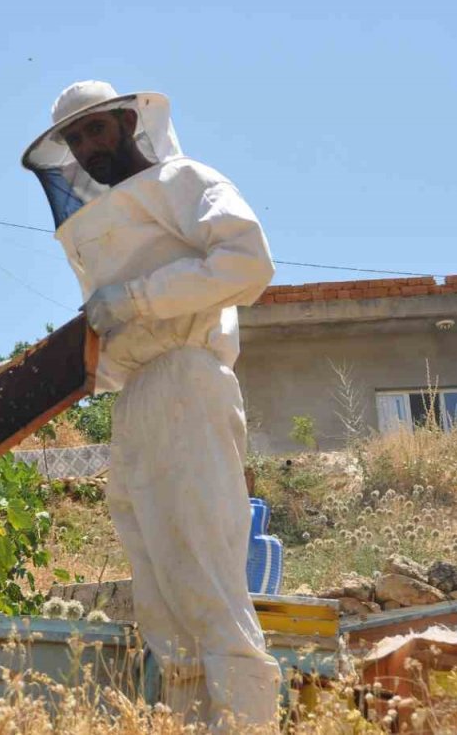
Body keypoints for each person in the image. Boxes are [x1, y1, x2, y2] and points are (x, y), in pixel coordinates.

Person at [19, 81, 282, 729]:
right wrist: (37, 376)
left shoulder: (185, 180)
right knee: (163, 600)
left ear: (127, 123)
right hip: (137, 402)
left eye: (95, 130)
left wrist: (137, 298)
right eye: (75, 139)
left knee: (206, 583)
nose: (87, 147)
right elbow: (115, 354)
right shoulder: (110, 229)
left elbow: (250, 262)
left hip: (189, 382)